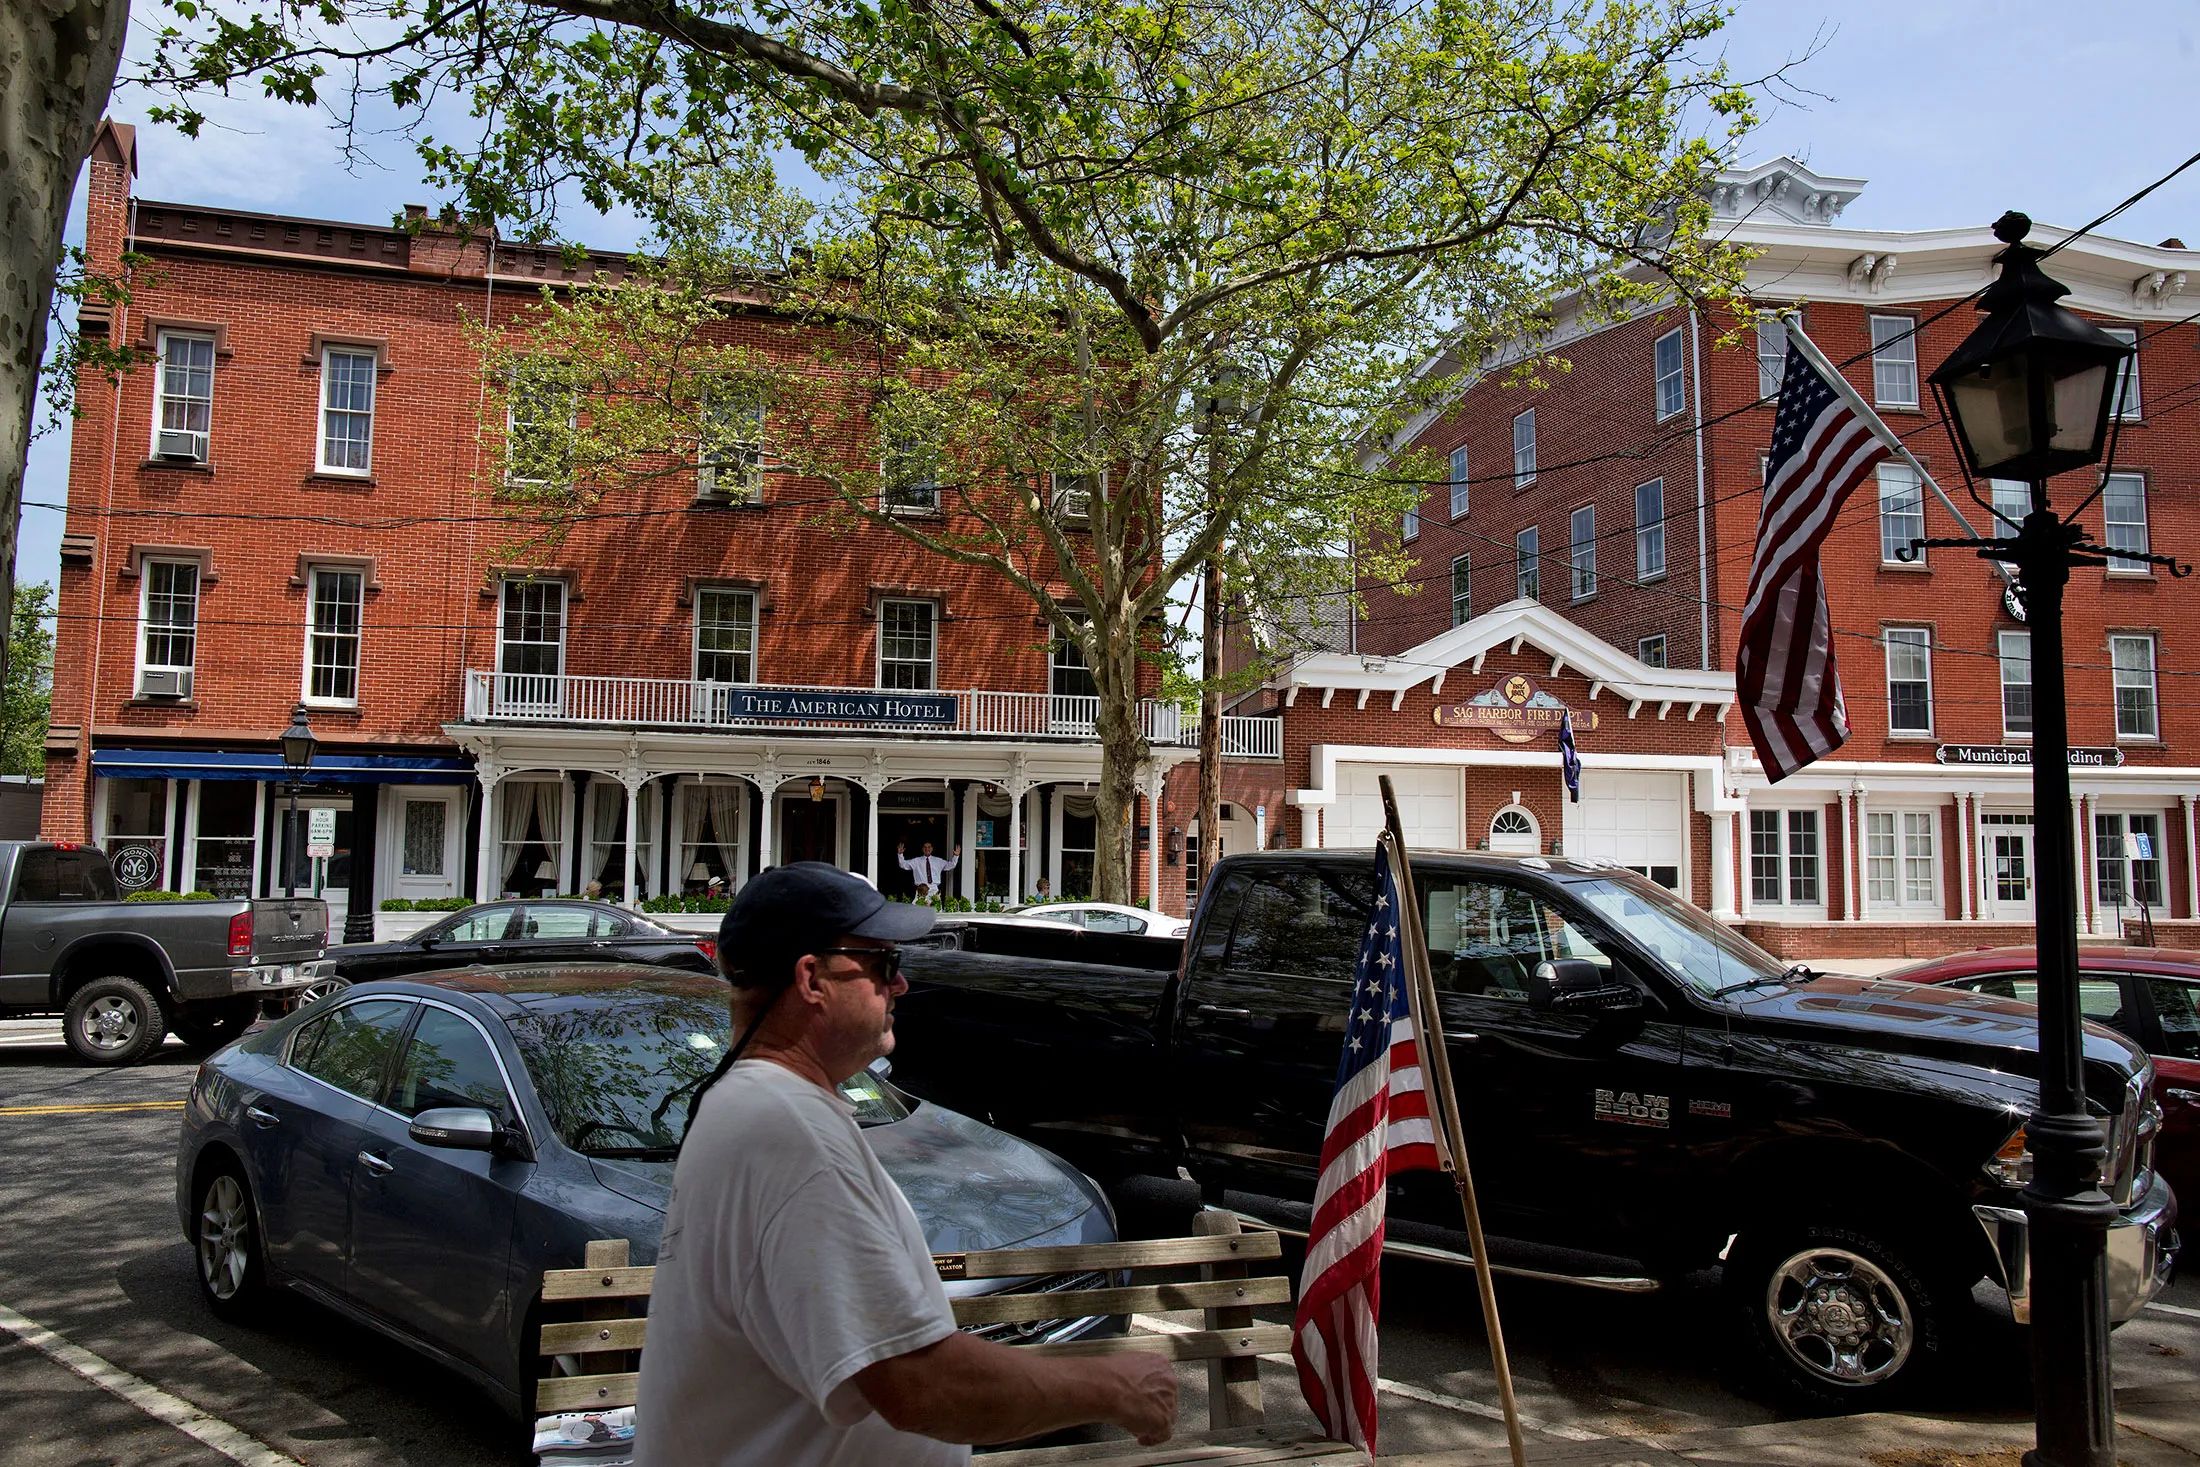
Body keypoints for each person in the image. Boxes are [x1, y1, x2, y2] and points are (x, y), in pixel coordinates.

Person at [634, 863, 1176, 1467]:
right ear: (812, 978)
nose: (902, 985)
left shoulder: (753, 1106)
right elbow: (919, 1385)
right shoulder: (788, 1130)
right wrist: (1114, 1387)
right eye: (883, 964)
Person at [894, 840, 960, 903]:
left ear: (932, 848)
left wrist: (956, 856)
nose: (927, 849)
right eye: (925, 847)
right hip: (921, 889)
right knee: (919, 910)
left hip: (934, 889)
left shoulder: (938, 861)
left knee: (936, 910)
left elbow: (951, 865)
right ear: (922, 849)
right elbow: (903, 864)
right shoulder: (916, 861)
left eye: (929, 847)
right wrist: (900, 854)